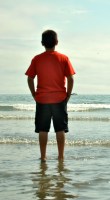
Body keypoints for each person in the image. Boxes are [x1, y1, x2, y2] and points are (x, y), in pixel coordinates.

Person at [25, 30, 75, 162]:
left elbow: (30, 79)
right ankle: (61, 157)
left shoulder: (37, 59)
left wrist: (34, 94)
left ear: (42, 43)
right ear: (56, 42)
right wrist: (68, 96)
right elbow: (70, 79)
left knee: (43, 129)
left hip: (42, 99)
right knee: (60, 129)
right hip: (59, 99)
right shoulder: (63, 58)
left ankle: (43, 157)